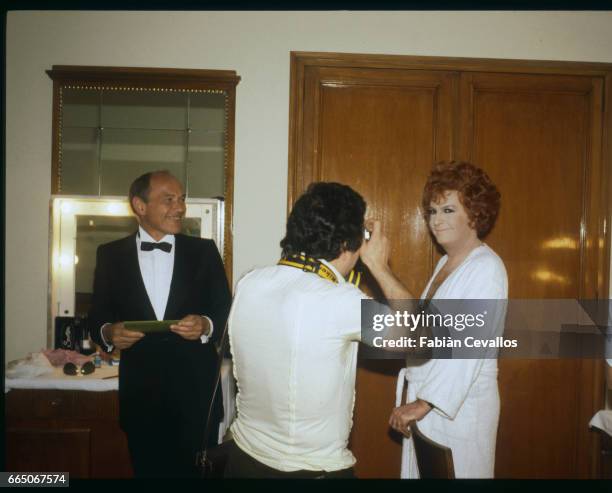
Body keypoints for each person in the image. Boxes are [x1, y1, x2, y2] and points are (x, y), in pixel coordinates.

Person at [225, 182, 411, 478]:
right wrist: (379, 265)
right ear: (346, 244)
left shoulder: (250, 282)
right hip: (309, 472)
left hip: (243, 462)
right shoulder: (338, 301)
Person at [361, 161, 507, 478]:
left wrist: (425, 403)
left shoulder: (486, 269)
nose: (436, 221)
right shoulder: (446, 263)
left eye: (448, 210)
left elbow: (469, 347)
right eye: (432, 211)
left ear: (475, 213)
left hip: (458, 409)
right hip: (431, 401)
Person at [88, 170, 232, 477]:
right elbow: (97, 317)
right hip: (141, 397)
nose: (180, 208)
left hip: (196, 395)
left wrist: (206, 325)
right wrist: (109, 333)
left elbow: (226, 312)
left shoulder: (204, 252)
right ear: (140, 206)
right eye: (170, 199)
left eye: (182, 199)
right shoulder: (110, 255)